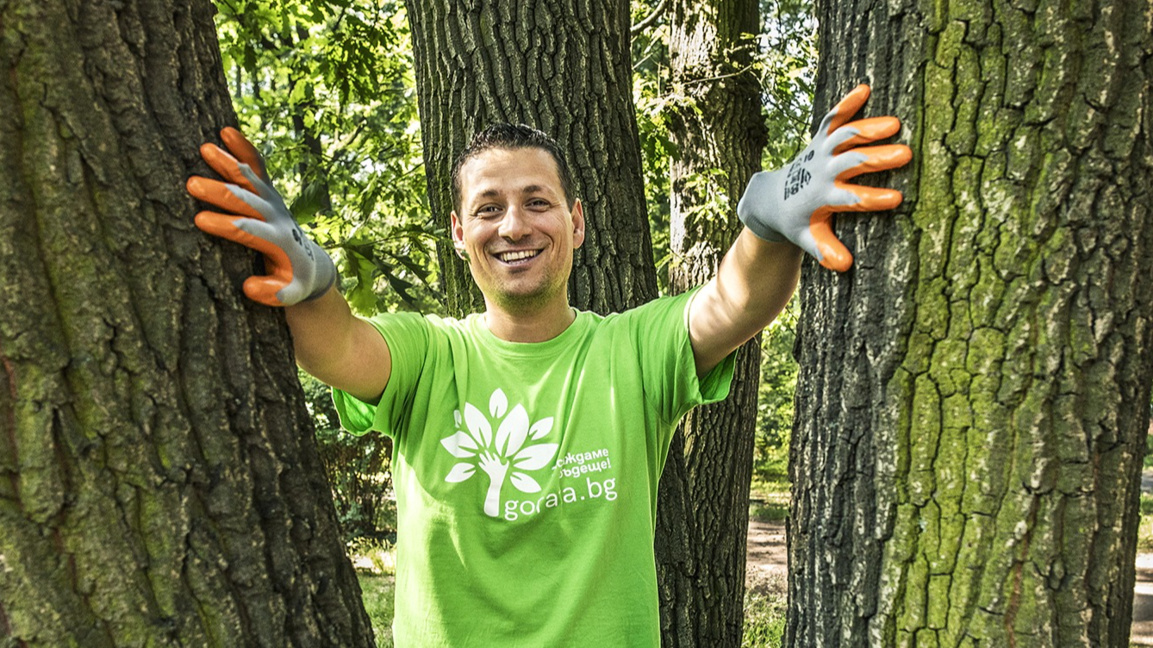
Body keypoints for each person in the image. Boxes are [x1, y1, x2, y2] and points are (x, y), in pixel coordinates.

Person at [186, 84, 911, 647]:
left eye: (537, 202)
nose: (514, 225)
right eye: (489, 206)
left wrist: (766, 218)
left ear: (576, 221)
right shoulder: (427, 353)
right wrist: (311, 281)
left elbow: (734, 302)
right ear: (459, 231)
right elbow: (339, 344)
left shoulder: (630, 350)